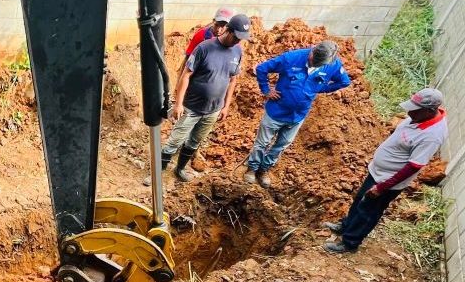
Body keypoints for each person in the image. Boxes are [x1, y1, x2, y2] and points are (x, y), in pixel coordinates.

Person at [322, 88, 448, 254]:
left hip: (388, 180)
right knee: (360, 199)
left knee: (368, 211)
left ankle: (349, 242)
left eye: (415, 109)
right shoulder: (418, 117)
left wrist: (382, 187)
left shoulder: (432, 136)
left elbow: (414, 166)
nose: (410, 112)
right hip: (378, 171)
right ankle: (346, 226)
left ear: (429, 110)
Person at [245, 40, 351, 187]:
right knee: (262, 143)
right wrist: (266, 90)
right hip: (276, 111)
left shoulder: (333, 65)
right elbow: (262, 69)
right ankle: (252, 168)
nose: (313, 62)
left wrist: (321, 89)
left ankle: (264, 170)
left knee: (281, 145)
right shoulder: (291, 58)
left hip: (297, 116)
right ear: (313, 49)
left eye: (318, 64)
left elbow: (344, 82)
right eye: (313, 58)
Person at [160, 13, 251, 182]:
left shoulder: (238, 51)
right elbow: (186, 75)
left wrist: (226, 106)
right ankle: (158, 172)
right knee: (175, 140)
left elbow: (233, 80)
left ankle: (179, 169)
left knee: (194, 142)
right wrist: (179, 104)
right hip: (191, 107)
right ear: (228, 30)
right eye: (236, 37)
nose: (238, 41)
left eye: (241, 38)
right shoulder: (204, 48)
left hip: (213, 111)